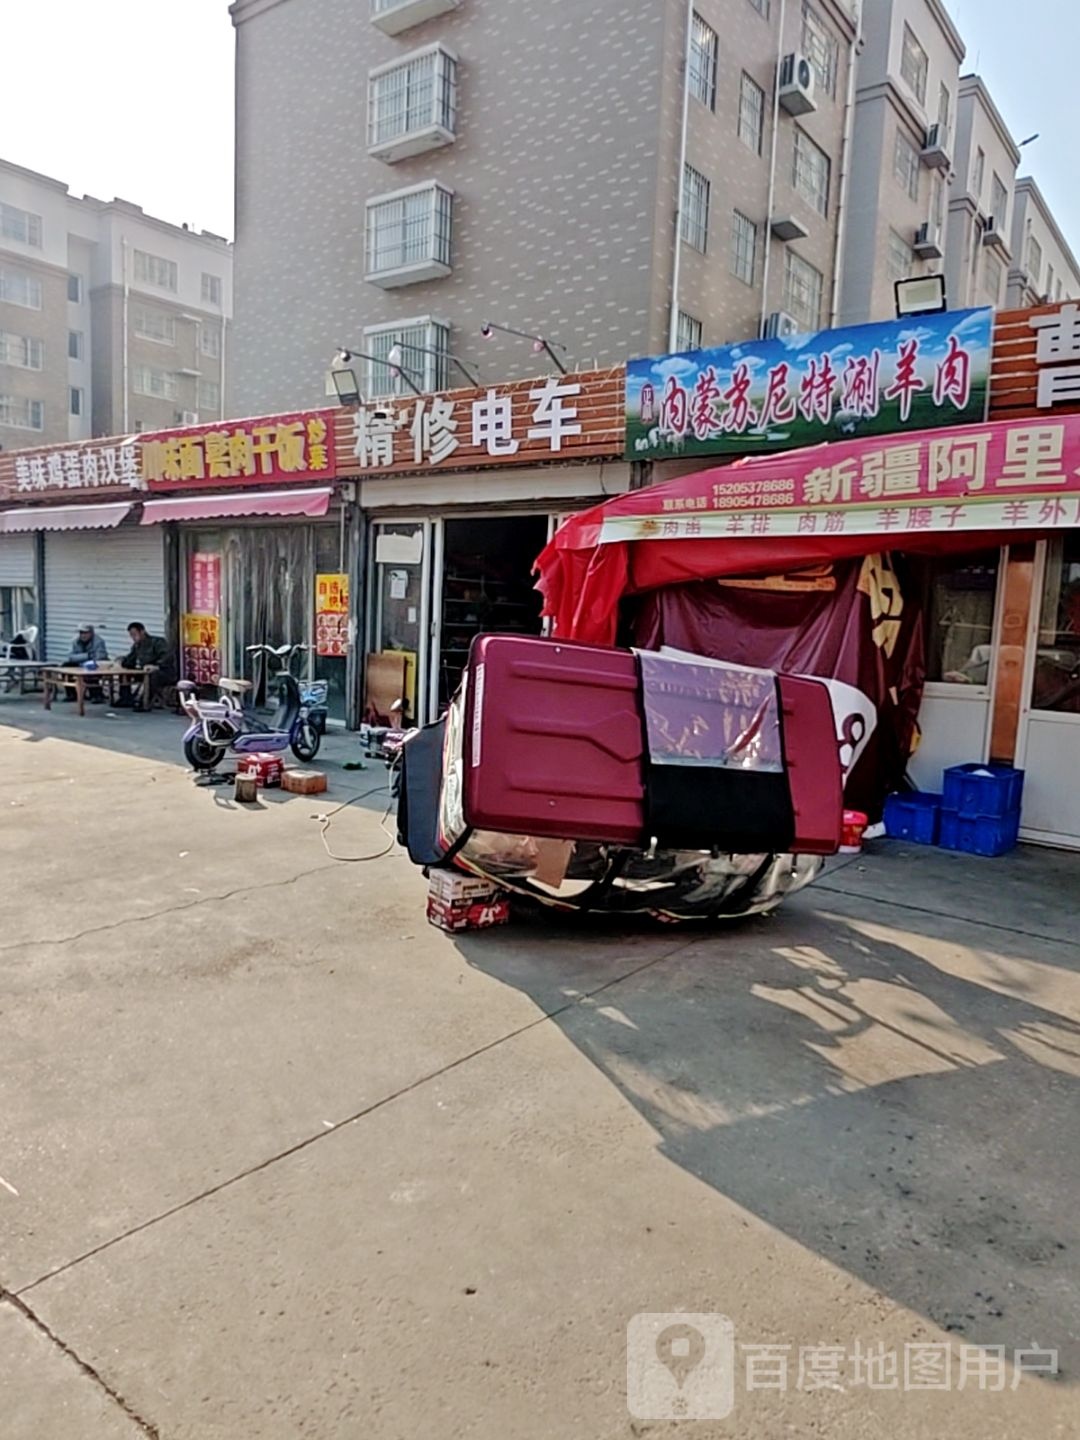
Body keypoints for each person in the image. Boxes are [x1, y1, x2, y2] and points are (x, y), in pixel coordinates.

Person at [118, 621, 177, 710]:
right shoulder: (137, 646)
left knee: (153, 676)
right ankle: (125, 698)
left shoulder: (158, 642)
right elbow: (130, 660)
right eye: (131, 635)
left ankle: (145, 701)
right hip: (144, 671)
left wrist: (157, 666)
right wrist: (123, 661)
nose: (133, 638)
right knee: (124, 674)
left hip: (164, 672)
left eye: (135, 634)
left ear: (142, 632)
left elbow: (167, 657)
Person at [63, 623, 109, 702]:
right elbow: (70, 657)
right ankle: (72, 694)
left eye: (85, 633)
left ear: (91, 633)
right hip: (80, 663)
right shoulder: (75, 642)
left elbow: (99, 656)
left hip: (95, 665)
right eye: (81, 633)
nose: (83, 635)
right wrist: (86, 656)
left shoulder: (99, 641)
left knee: (92, 669)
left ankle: (96, 695)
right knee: (66, 666)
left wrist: (87, 660)